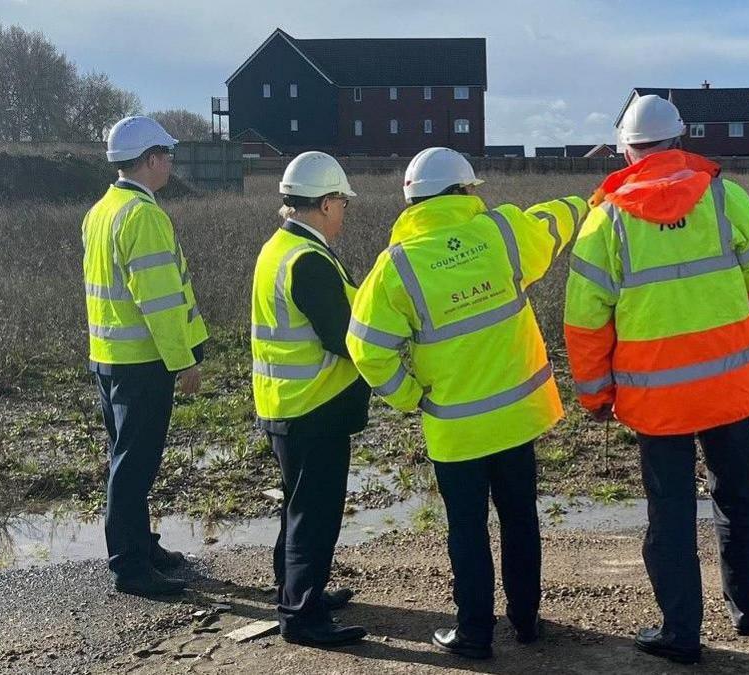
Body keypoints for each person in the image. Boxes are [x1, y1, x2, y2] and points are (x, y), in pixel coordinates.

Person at [563, 95, 749, 664]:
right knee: (740, 499)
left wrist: (594, 392)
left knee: (668, 513)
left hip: (654, 399)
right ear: (680, 138)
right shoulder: (726, 197)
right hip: (729, 386)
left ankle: (680, 633)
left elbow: (585, 321)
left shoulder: (606, 220)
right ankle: (748, 610)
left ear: (626, 149)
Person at [347, 147, 587, 659]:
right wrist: (591, 200)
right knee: (520, 517)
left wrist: (409, 396)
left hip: (455, 429)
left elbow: (365, 344)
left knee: (467, 529)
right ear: (463, 191)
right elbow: (553, 220)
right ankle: (526, 622)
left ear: (412, 201)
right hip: (515, 415)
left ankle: (475, 634)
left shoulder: (397, 266)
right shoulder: (500, 233)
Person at [83, 115, 206, 596]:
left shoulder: (101, 210)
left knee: (124, 458)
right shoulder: (144, 217)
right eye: (167, 155)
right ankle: (130, 566)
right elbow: (159, 302)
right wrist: (183, 360)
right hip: (141, 362)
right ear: (151, 159)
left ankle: (140, 545)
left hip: (108, 357)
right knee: (135, 463)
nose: (171, 163)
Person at [251, 151, 370, 647]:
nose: (344, 211)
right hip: (312, 407)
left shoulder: (281, 247)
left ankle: (296, 591)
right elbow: (345, 338)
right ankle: (302, 616)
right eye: (341, 202)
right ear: (324, 204)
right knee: (315, 515)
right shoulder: (307, 260)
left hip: (285, 404)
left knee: (299, 509)